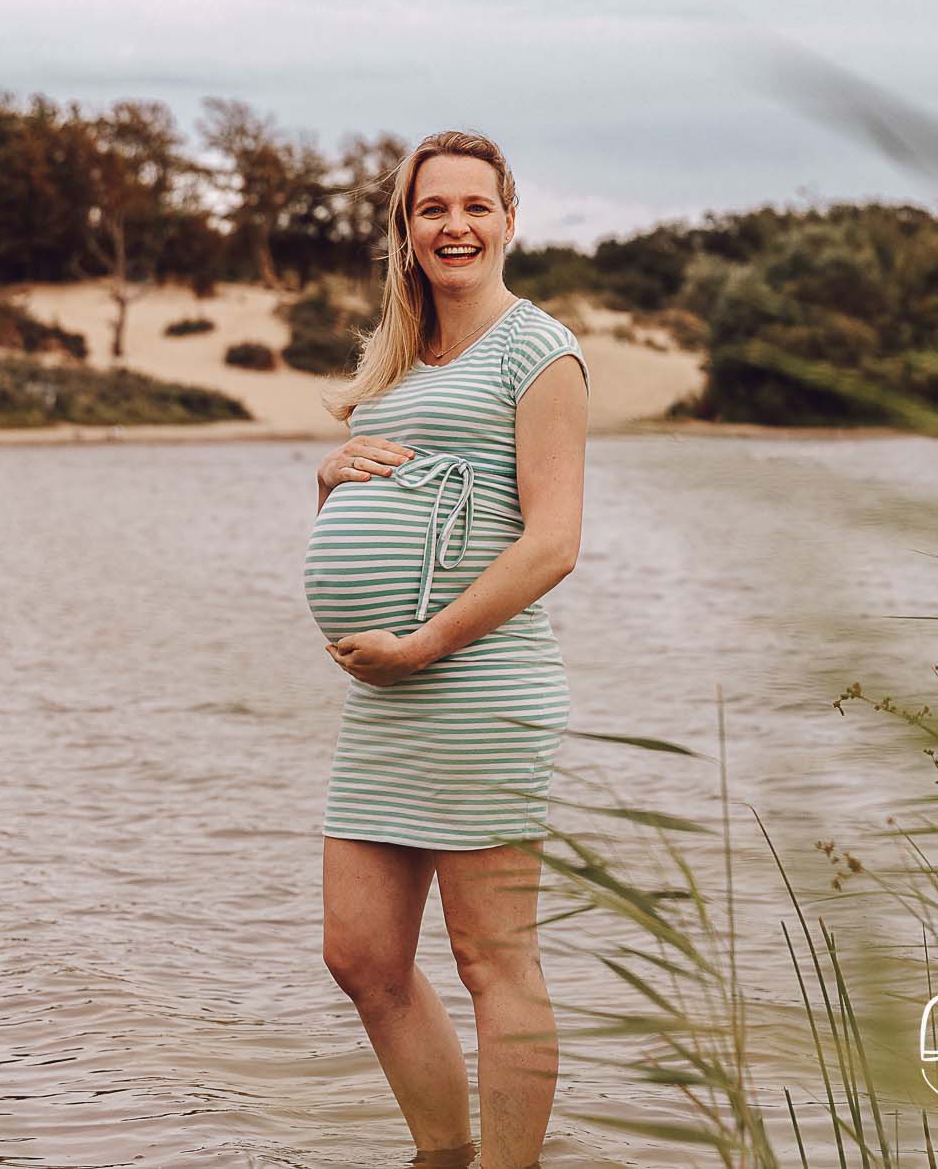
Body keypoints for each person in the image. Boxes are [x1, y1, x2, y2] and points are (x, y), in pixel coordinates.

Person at [302, 129, 588, 1168]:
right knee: (360, 956)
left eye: (473, 206)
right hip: (385, 695)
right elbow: (388, 509)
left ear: (508, 219)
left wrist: (425, 643)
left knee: (489, 957)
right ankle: (443, 1156)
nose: (453, 226)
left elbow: (553, 541)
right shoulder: (393, 360)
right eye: (432, 209)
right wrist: (330, 486)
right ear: (406, 229)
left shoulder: (536, 349)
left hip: (477, 685)